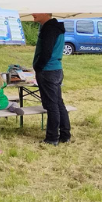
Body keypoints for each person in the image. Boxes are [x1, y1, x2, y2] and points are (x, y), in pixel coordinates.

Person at [32, 13, 71, 145]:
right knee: (58, 103)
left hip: (48, 70)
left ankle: (52, 138)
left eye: (35, 11)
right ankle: (65, 135)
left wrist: (38, 67)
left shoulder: (49, 28)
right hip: (56, 69)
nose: (32, 14)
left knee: (52, 105)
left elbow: (46, 52)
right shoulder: (56, 27)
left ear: (44, 12)